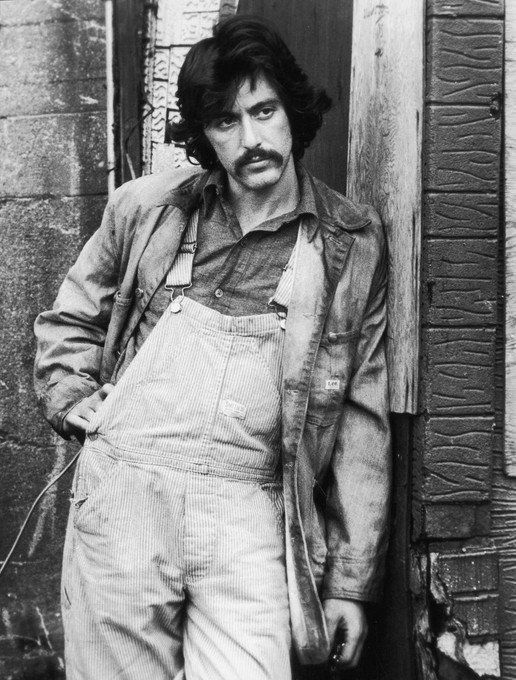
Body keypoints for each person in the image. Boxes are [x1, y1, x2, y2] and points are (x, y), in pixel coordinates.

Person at [34, 15, 391, 680]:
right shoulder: (148, 210)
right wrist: (72, 394)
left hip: (251, 506)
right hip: (126, 496)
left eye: (264, 111)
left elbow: (361, 422)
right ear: (204, 135)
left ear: (293, 112)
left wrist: (350, 582)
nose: (251, 139)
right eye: (227, 121)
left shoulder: (348, 241)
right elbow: (68, 321)